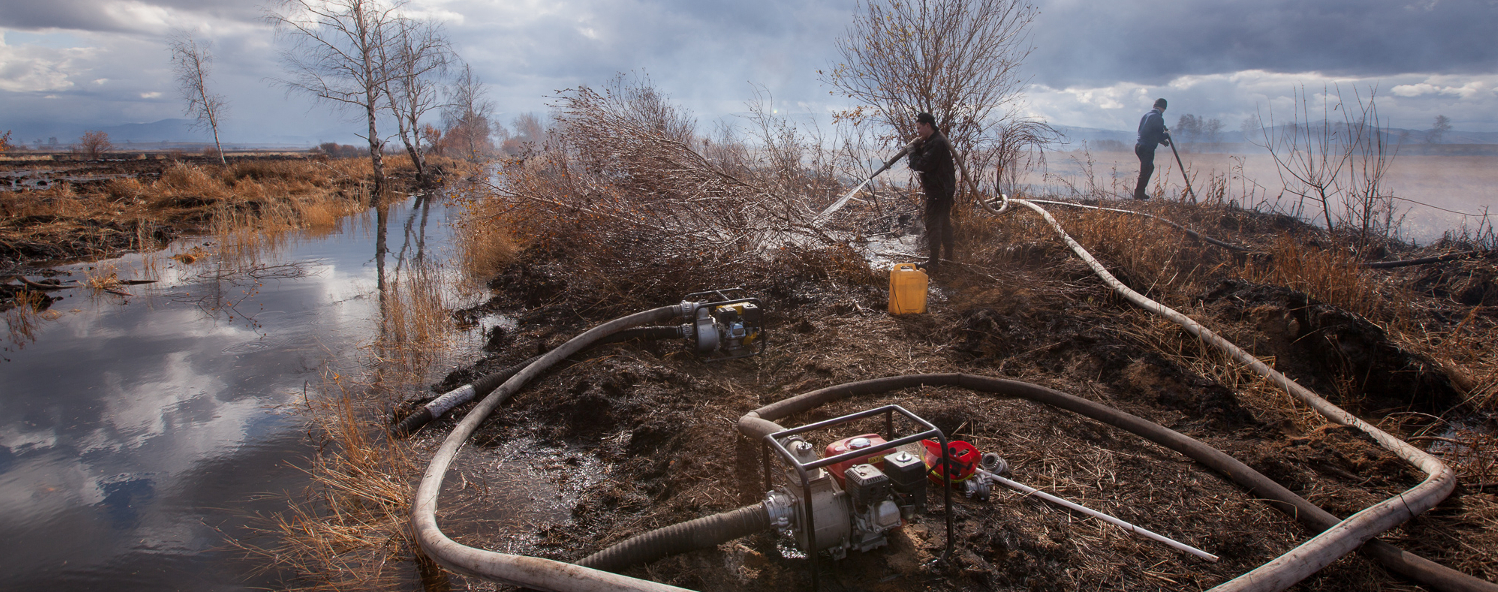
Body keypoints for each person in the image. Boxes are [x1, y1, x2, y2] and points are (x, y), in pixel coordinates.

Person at [908, 112, 956, 273]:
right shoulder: (934, 142)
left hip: (938, 191)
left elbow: (922, 165)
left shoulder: (937, 143)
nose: (918, 132)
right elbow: (929, 161)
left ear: (928, 125)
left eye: (919, 128)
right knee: (944, 223)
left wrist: (912, 153)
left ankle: (933, 263)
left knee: (933, 224)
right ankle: (948, 258)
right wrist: (919, 148)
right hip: (943, 190)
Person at [1134, 98, 1171, 200]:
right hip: (1147, 148)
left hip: (1139, 146)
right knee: (1145, 170)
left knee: (1149, 168)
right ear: (1163, 108)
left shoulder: (1146, 115)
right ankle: (1138, 195)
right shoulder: (1158, 118)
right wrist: (1166, 135)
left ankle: (1141, 193)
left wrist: (1162, 142)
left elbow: (1149, 133)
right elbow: (1157, 135)